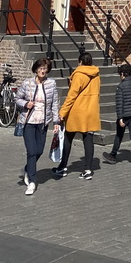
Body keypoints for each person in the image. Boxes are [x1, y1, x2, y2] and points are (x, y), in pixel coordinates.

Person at [15, 58, 61, 196]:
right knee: (31, 151)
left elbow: (54, 103)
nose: (43, 71)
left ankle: (28, 169)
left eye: (45, 69)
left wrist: (56, 121)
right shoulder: (27, 83)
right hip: (28, 122)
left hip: (43, 122)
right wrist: (25, 104)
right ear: (36, 69)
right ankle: (32, 182)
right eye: (41, 68)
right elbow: (17, 98)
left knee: (39, 150)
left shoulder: (51, 84)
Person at [56, 52, 101, 180]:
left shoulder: (79, 74)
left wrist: (62, 112)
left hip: (78, 111)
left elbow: (72, 96)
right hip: (91, 110)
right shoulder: (96, 74)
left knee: (68, 138)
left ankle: (63, 166)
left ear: (80, 62)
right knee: (88, 139)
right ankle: (88, 169)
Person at [102, 62, 131, 168]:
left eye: (120, 74)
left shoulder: (120, 87)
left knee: (119, 136)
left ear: (123, 74)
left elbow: (119, 104)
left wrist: (120, 118)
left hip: (124, 115)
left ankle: (113, 155)